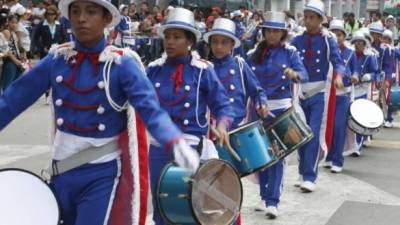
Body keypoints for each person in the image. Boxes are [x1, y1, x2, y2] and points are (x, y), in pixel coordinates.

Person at [0, 1, 200, 225]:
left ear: (107, 19)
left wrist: (174, 140)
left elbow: (150, 109)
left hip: (101, 173)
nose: (81, 18)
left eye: (91, 11)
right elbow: (13, 99)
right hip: (60, 168)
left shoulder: (121, 64)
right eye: (75, 11)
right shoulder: (57, 59)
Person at [146, 8, 234, 225]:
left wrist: (222, 125)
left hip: (191, 148)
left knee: (190, 206)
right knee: (161, 206)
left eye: (177, 37)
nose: (170, 42)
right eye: (167, 36)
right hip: (159, 148)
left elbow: (223, 104)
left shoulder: (202, 70)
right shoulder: (152, 70)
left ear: (190, 42)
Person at [247, 11, 308, 218]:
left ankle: (273, 200)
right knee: (260, 155)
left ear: (283, 33)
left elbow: (303, 74)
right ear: (264, 32)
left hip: (281, 109)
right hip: (257, 109)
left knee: (277, 154)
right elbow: (246, 83)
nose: (272, 35)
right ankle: (264, 197)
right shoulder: (252, 54)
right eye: (269, 31)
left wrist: (295, 74)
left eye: (276, 31)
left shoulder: (290, 53)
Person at [291, 0, 345, 192]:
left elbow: (338, 62)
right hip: (299, 93)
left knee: (313, 134)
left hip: (318, 93)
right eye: (305, 17)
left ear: (320, 19)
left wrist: (338, 77)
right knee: (299, 135)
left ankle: (309, 176)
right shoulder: (296, 39)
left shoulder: (328, 39)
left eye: (311, 17)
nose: (307, 20)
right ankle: (301, 170)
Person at [324, 19, 357, 173]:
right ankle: (328, 156)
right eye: (334, 34)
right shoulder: (325, 49)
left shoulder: (350, 53)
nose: (336, 37)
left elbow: (354, 70)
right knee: (326, 127)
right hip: (325, 94)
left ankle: (338, 160)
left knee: (338, 127)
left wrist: (354, 76)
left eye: (339, 34)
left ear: (344, 35)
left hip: (342, 95)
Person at [347, 30, 378, 156]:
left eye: (361, 43)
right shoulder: (349, 55)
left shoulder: (370, 57)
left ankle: (358, 146)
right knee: (348, 119)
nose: (358, 45)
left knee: (359, 119)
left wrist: (368, 76)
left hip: (362, 90)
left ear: (365, 44)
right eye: (356, 43)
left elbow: (376, 74)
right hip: (350, 90)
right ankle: (349, 144)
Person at [0, 14, 24, 93]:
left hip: (16, 61)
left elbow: (17, 48)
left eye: (16, 23)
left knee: (15, 84)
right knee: (8, 85)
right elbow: (6, 49)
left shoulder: (14, 33)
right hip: (10, 61)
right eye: (12, 22)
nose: (14, 24)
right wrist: (15, 61)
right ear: (8, 22)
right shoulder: (6, 32)